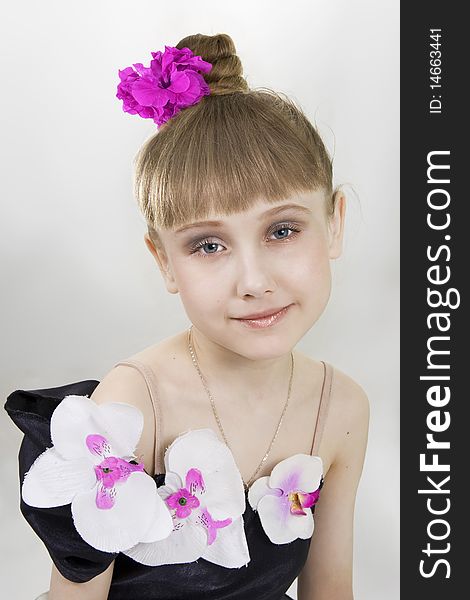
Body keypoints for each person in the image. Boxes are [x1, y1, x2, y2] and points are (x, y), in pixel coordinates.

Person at [5, 33, 369, 600]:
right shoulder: (132, 408)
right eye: (208, 245)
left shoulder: (340, 407)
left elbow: (331, 591)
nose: (254, 282)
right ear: (164, 262)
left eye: (282, 230)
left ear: (336, 223)